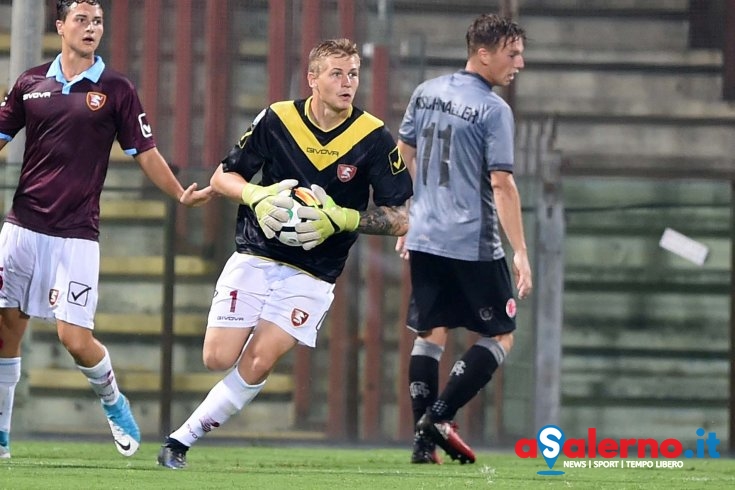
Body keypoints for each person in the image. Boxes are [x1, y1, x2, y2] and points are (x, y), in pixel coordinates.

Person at [156, 37, 412, 470]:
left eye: (353, 74)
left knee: (258, 360)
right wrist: (256, 195)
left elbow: (401, 217)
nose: (347, 83)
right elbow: (223, 176)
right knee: (217, 357)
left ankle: (179, 441)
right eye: (336, 73)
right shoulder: (278, 118)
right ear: (312, 79)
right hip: (257, 254)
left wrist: (341, 218)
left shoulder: (373, 136)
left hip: (314, 273)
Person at [0, 0, 214, 459]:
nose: (91, 28)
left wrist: (179, 194)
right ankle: (1, 436)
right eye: (81, 19)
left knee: (74, 339)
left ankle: (114, 403)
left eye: (97, 21)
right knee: (5, 331)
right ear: (60, 26)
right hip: (23, 227)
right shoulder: (31, 82)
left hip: (77, 233)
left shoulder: (115, 87)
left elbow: (146, 151)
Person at [395, 13, 532, 465]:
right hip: (472, 241)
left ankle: (422, 446)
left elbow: (403, 157)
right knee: (501, 333)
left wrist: (413, 211)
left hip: (426, 237)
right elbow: (502, 184)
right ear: (484, 53)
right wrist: (521, 252)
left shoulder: (425, 91)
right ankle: (439, 415)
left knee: (430, 333)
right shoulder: (494, 110)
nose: (520, 64)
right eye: (512, 54)